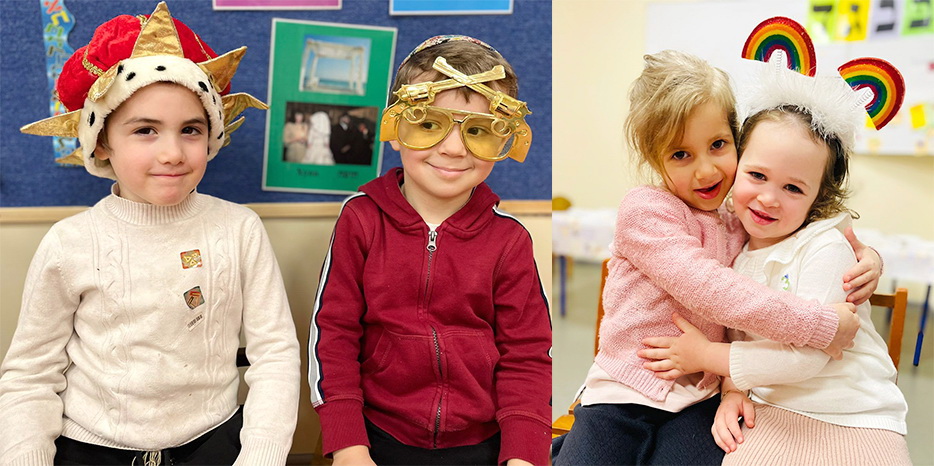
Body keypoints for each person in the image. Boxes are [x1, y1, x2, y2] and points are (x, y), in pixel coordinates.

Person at [0, 3, 300, 464]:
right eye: (145, 130)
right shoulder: (69, 242)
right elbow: (30, 374)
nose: (172, 152)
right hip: (90, 448)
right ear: (102, 142)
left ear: (211, 135)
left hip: (214, 442)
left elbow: (275, 354)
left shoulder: (240, 229)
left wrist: (261, 455)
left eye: (191, 130)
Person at [550, 49, 882, 465]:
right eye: (680, 154)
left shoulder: (739, 217)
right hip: (623, 391)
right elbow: (710, 288)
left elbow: (815, 235)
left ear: (737, 140)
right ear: (654, 158)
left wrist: (869, 257)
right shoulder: (645, 210)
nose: (706, 171)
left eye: (718, 145)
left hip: (700, 396)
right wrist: (819, 326)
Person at [639, 55, 909, 465]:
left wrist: (705, 357)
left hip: (856, 412)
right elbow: (738, 332)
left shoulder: (824, 246)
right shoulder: (731, 237)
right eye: (757, 176)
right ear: (738, 164)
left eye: (793, 188)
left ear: (819, 197)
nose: (768, 198)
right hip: (769, 407)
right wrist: (732, 391)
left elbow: (809, 356)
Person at [308, 35, 549, 466]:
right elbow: (334, 335)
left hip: (485, 443)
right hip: (376, 437)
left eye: (478, 131)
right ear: (395, 129)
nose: (454, 149)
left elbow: (528, 355)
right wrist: (348, 445)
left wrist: (524, 454)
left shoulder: (509, 239)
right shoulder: (360, 219)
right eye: (428, 124)